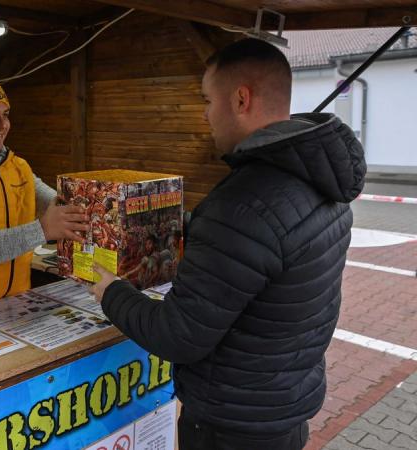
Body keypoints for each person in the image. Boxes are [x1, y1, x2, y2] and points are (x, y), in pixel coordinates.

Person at [90, 38, 366, 450]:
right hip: (283, 409)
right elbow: (260, 252)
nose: (205, 115)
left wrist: (112, 292)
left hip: (230, 426)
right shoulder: (321, 181)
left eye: (207, 100)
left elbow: (178, 335)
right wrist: (181, 227)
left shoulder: (243, 201)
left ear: (240, 99)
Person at [0, 77, 87, 308]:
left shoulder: (18, 167)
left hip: (16, 304)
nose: (2, 124)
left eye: (6, 114)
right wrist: (43, 229)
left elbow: (58, 205)